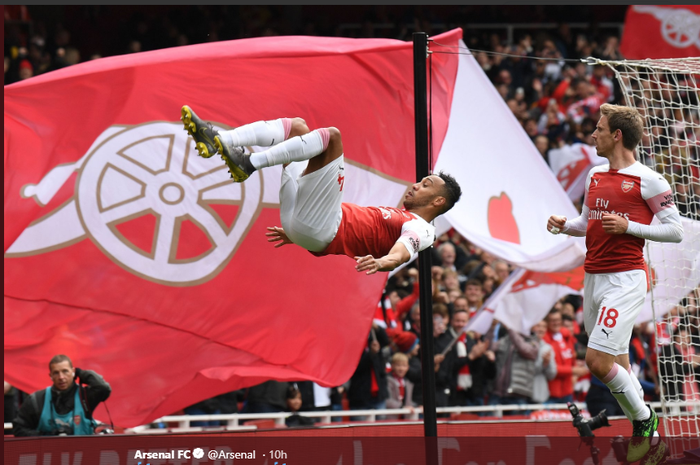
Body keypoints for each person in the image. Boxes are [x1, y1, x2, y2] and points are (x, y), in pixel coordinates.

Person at [547, 103, 684, 463]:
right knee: (617, 363)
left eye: (599, 128)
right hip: (593, 277)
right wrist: (565, 225)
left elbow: (675, 230)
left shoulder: (649, 179)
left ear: (616, 135)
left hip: (625, 279)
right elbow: (586, 222)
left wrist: (630, 227)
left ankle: (644, 419)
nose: (594, 134)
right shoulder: (595, 175)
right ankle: (654, 442)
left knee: (596, 360)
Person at [181, 106, 462, 274]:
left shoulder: (424, 229)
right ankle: (219, 137)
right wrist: (296, 233)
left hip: (321, 228)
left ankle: (248, 163)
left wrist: (384, 262)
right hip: (303, 226)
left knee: (333, 137)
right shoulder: (401, 214)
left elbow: (403, 251)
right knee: (298, 127)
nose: (415, 185)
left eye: (425, 185)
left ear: (438, 201)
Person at [12, 355, 111, 436]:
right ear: (50, 376)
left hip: (83, 455)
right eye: (56, 373)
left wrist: (81, 373)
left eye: (65, 371)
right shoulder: (37, 400)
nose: (61, 377)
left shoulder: (85, 396)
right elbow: (19, 429)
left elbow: (103, 388)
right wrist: (47, 435)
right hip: (48, 456)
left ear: (73, 372)